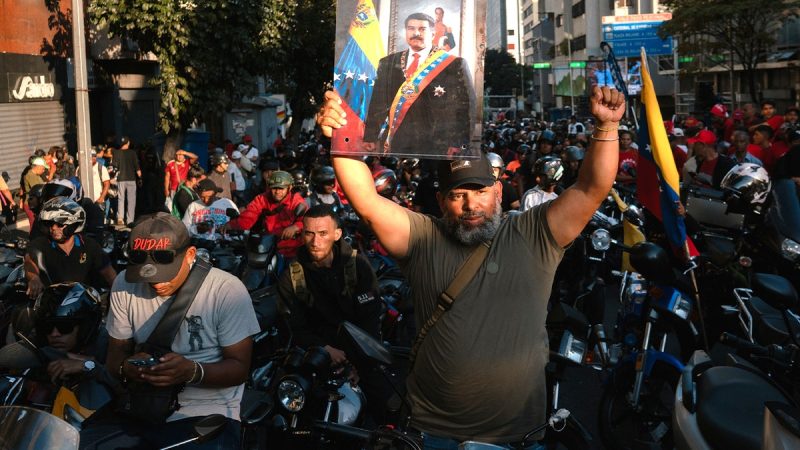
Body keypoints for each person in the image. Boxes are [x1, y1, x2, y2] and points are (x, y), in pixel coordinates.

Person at [318, 86, 624, 446]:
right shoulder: (423, 238)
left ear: (498, 192)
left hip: (517, 437)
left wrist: (607, 127)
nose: (470, 206)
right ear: (441, 201)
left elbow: (591, 188)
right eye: (458, 195)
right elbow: (367, 201)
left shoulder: (536, 233)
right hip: (432, 433)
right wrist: (341, 134)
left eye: (480, 192)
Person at [79, 213, 260, 449]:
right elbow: (115, 359)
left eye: (165, 272)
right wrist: (128, 367)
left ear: (190, 255)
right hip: (142, 405)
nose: (156, 282)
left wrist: (192, 371)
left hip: (206, 410)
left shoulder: (226, 290)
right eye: (147, 274)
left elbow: (239, 369)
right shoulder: (125, 284)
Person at [276, 204, 387, 421]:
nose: (315, 242)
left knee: (381, 406)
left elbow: (370, 322)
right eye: (309, 233)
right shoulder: (292, 275)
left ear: (337, 235)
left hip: (359, 347)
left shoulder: (358, 267)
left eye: (323, 233)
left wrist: (356, 365)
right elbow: (292, 326)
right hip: (316, 349)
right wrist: (324, 349)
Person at [363, 12, 474, 156]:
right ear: (406, 32)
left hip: (438, 145)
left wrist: (458, 143)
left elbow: (465, 107)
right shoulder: (388, 63)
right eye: (411, 28)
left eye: (422, 29)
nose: (416, 33)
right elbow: (378, 103)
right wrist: (371, 136)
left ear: (433, 33)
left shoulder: (454, 64)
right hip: (398, 142)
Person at [24, 197, 117, 299]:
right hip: (53, 303)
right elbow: (29, 262)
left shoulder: (89, 245)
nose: (53, 228)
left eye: (60, 224)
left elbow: (110, 275)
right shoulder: (40, 244)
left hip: (86, 303)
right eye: (50, 224)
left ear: (73, 224)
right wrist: (34, 278)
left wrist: (117, 298)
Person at [225, 171, 306, 260]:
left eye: (281, 188)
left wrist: (296, 227)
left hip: (292, 250)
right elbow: (247, 218)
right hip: (267, 247)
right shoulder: (262, 199)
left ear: (289, 188)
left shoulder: (296, 201)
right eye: (274, 188)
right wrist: (230, 225)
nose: (277, 192)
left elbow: (307, 222)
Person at [114, 136, 141, 226]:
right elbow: (137, 168)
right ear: (128, 143)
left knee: (121, 198)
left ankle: (120, 218)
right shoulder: (132, 153)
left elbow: (114, 167)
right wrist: (140, 177)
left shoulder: (116, 153)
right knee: (131, 200)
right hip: (131, 179)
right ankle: (130, 220)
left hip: (120, 179)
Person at [22, 156, 49, 226]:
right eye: (43, 168)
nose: (43, 171)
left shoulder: (36, 175)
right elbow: (37, 189)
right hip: (31, 204)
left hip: (35, 203)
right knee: (34, 225)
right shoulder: (31, 176)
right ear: (38, 167)